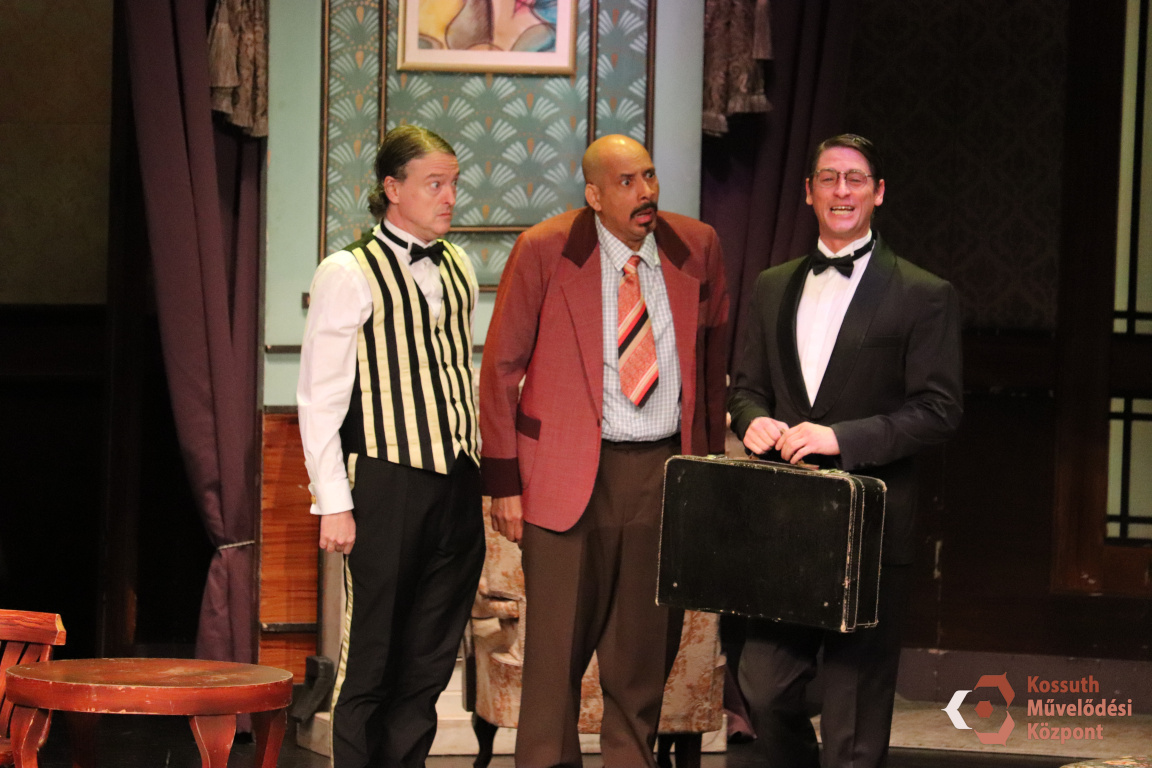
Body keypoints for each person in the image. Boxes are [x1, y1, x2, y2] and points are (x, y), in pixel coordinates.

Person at [479, 134, 730, 768]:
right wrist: (503, 485)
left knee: (642, 656)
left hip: (664, 472)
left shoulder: (696, 246)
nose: (646, 192)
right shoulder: (545, 249)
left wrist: (705, 475)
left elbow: (713, 364)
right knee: (554, 657)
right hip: (564, 476)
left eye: (649, 176)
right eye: (626, 182)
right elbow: (501, 369)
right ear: (593, 195)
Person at [726, 133, 963, 768]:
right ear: (808, 192)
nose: (841, 191)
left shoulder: (922, 292)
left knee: (853, 721)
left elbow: (939, 411)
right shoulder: (772, 286)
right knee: (764, 686)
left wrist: (842, 439)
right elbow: (746, 388)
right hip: (784, 525)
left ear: (878, 193)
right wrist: (751, 419)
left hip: (871, 523)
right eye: (828, 178)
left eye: (855, 179)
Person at [297, 125, 485, 768]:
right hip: (386, 477)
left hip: (456, 480)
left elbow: (455, 371)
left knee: (428, 660)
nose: (449, 196)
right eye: (435, 184)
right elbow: (319, 396)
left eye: (453, 183)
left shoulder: (459, 265)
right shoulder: (347, 271)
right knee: (371, 658)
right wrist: (333, 501)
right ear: (392, 188)